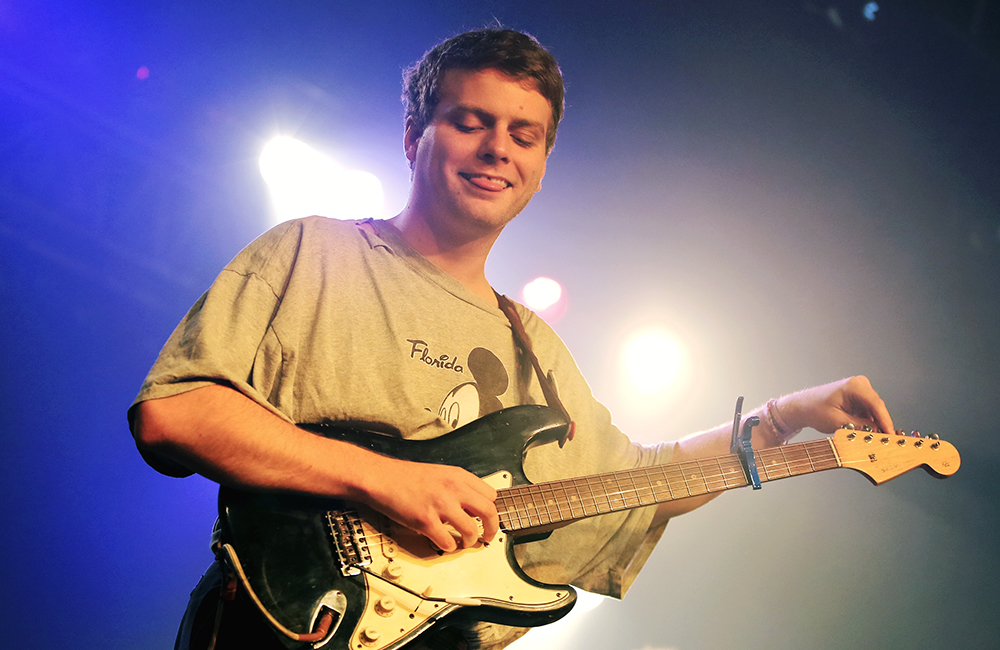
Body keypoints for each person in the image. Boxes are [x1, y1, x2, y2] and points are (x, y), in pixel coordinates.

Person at [129, 28, 895, 650]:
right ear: (412, 137)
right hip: (287, 623)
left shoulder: (534, 348)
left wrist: (787, 413)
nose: (499, 148)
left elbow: (645, 483)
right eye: (472, 122)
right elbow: (175, 415)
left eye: (523, 135)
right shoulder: (315, 251)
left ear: (540, 165)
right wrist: (382, 478)